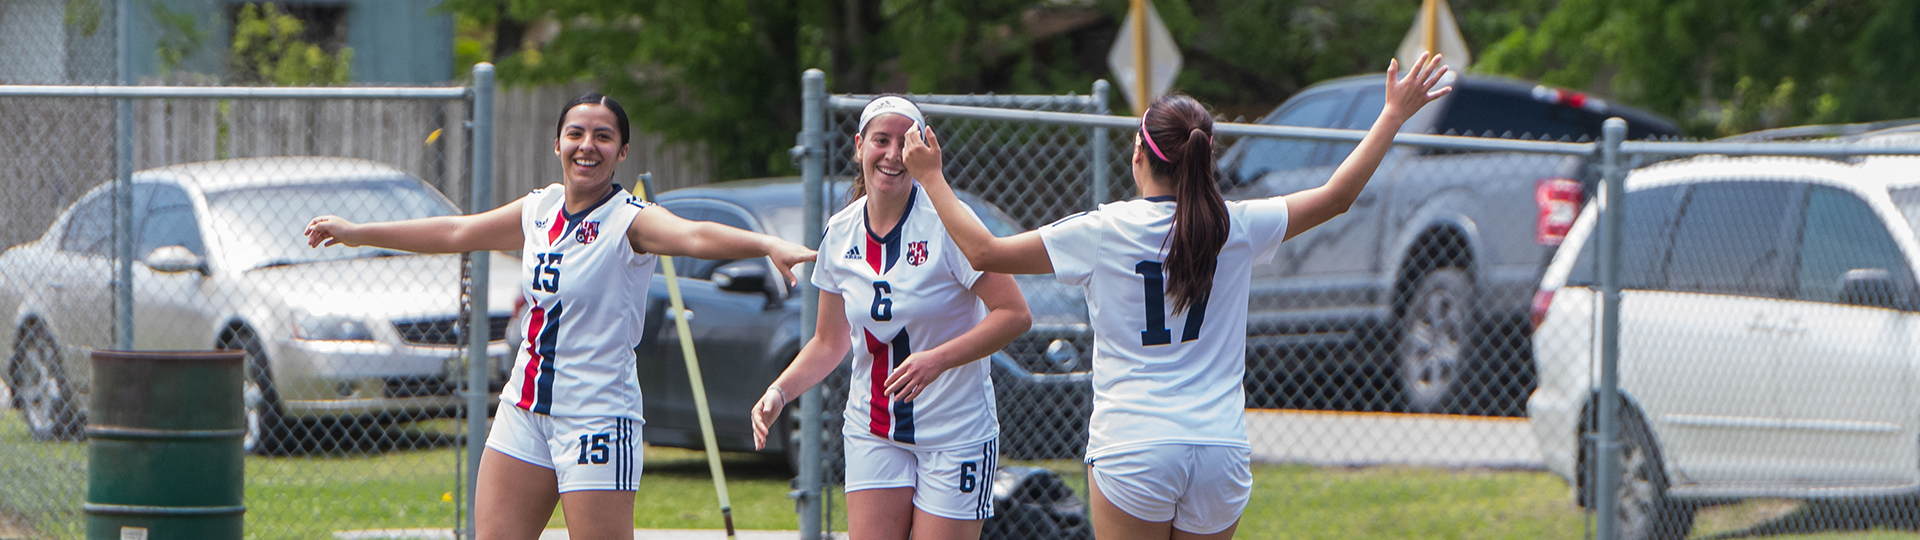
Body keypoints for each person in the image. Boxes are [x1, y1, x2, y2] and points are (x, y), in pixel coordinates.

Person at [901, 54, 1454, 539]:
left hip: (1134, 446)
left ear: (1140, 155)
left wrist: (931, 178)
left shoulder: (1105, 230)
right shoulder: (1235, 225)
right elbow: (1338, 196)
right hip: (1218, 450)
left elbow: (984, 252)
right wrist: (1392, 115)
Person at [304, 93, 816, 540]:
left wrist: (765, 243)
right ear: (557, 145)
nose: (587, 145)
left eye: (602, 136)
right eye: (575, 133)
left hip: (595, 415)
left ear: (622, 152)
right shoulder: (539, 210)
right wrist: (358, 232)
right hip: (524, 408)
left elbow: (696, 236)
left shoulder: (628, 219)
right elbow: (458, 233)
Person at [748, 96, 1032, 540]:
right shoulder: (840, 232)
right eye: (881, 140)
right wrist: (779, 392)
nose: (893, 154)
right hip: (873, 427)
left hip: (954, 431)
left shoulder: (947, 223)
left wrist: (936, 359)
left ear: (925, 152)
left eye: (907, 142)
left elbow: (1014, 314)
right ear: (860, 146)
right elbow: (829, 341)